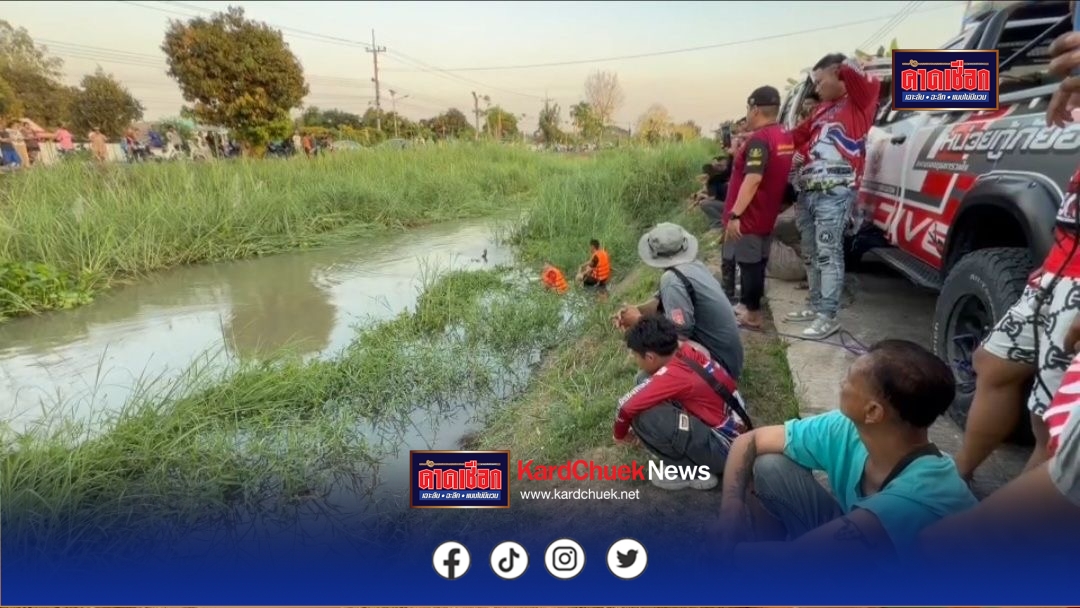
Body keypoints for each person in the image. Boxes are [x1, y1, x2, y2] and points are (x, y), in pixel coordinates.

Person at [954, 19, 1080, 482]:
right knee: (992, 362)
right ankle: (958, 475)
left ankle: (1003, 536)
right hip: (1057, 269)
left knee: (1054, 422)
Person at [717, 339, 976, 564]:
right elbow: (751, 440)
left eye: (849, 379)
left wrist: (727, 552)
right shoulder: (849, 427)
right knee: (768, 464)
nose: (842, 383)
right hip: (856, 548)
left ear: (873, 411)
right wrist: (732, 508)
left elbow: (795, 560)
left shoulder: (921, 497)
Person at [784, 53, 881, 340]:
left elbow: (854, 73)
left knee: (829, 254)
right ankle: (814, 306)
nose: (816, 88)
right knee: (812, 254)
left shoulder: (862, 100)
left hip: (835, 193)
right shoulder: (821, 110)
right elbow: (794, 137)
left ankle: (828, 316)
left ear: (837, 73)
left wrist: (844, 65)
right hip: (808, 193)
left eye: (819, 80)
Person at [614, 315, 750, 490]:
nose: (634, 360)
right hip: (736, 432)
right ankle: (695, 455)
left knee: (641, 415)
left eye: (635, 355)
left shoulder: (673, 375)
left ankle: (690, 471)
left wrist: (620, 435)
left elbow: (625, 408)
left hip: (726, 454)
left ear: (649, 357)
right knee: (643, 379)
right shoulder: (686, 350)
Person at [614, 222, 743, 380]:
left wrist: (638, 321)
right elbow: (659, 302)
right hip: (730, 358)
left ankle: (690, 399)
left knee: (643, 380)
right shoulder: (693, 266)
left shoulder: (672, 280)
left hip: (721, 367)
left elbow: (677, 335)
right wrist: (635, 310)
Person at [723, 85, 795, 329]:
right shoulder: (783, 135)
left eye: (748, 109)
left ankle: (752, 315)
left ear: (754, 109)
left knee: (750, 265)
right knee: (759, 262)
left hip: (750, 216)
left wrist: (735, 214)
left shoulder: (760, 140)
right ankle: (747, 305)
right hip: (766, 213)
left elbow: (753, 179)